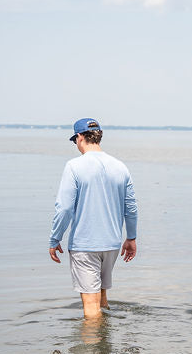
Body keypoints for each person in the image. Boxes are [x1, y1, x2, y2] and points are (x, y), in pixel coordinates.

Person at [49, 118, 138, 318]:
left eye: (75, 141)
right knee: (102, 298)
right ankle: (105, 343)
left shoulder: (74, 166)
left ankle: (91, 348)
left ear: (80, 137)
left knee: (90, 305)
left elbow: (64, 208)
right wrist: (131, 238)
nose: (76, 145)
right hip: (112, 244)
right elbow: (131, 208)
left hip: (85, 244)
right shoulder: (120, 167)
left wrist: (55, 238)